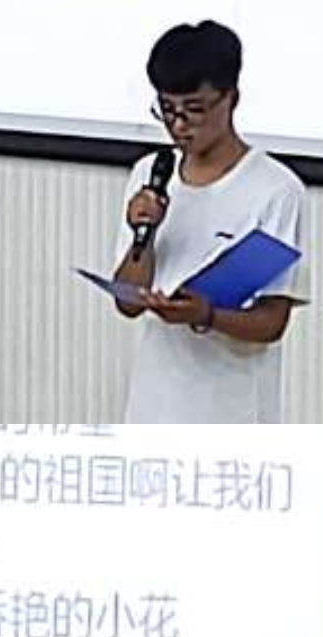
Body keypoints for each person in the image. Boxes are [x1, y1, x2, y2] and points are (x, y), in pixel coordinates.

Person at [108, 22, 307, 427]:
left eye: (194, 110)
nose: (179, 125)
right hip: (152, 408)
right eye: (167, 110)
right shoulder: (151, 174)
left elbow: (273, 322)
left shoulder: (276, 189)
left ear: (231, 98)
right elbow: (128, 303)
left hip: (233, 413)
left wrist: (206, 315)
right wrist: (144, 234)